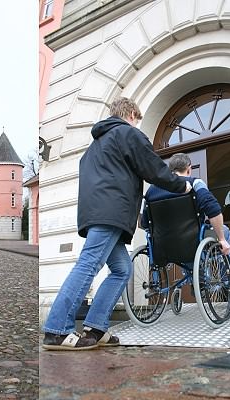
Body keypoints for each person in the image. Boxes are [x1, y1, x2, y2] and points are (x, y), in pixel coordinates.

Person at [42, 97, 192, 350]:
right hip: (112, 210)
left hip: (96, 211)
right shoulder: (127, 134)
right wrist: (182, 185)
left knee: (122, 269)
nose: (137, 124)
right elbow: (153, 168)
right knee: (89, 264)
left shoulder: (95, 146)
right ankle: (57, 329)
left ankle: (97, 327)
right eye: (138, 119)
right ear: (131, 114)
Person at [139, 152, 230, 260]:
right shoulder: (196, 183)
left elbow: (144, 223)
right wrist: (221, 239)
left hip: (163, 245)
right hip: (192, 242)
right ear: (189, 169)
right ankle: (228, 274)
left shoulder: (151, 190)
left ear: (171, 170)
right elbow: (213, 210)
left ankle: (191, 275)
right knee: (224, 230)